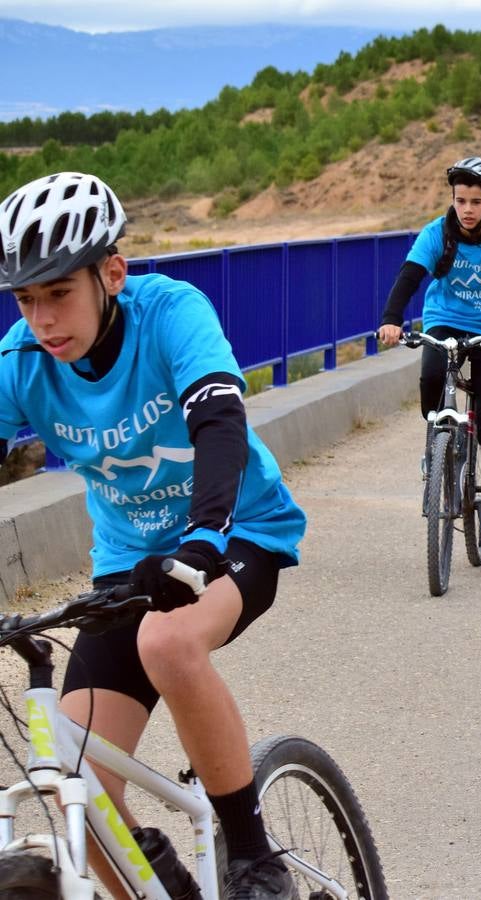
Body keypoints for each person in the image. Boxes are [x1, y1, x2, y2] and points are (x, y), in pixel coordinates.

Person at [0, 172, 307, 900]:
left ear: (112, 273)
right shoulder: (21, 362)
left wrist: (203, 537)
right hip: (129, 564)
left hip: (236, 532)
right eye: (25, 298)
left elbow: (219, 422)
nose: (42, 319)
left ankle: (256, 858)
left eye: (58, 293)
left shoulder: (171, 312)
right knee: (83, 792)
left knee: (166, 641)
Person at [377, 156, 481, 558]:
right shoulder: (439, 232)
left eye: (474, 201)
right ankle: (437, 443)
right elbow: (410, 276)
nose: (465, 209)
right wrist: (391, 320)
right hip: (446, 320)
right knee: (431, 378)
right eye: (459, 200)